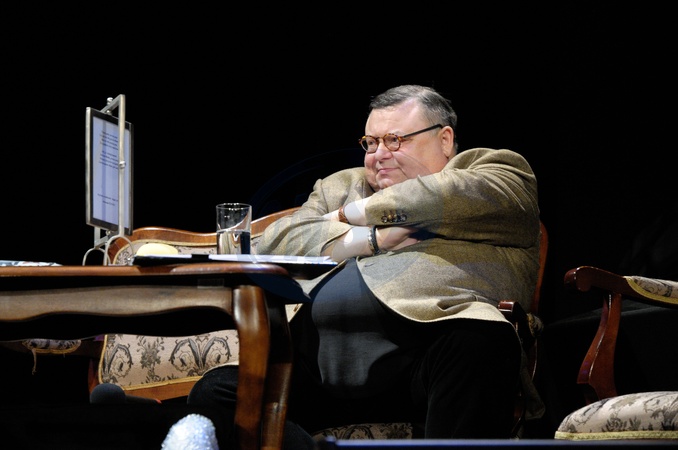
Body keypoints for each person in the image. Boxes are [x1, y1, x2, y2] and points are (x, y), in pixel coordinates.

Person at [188, 84, 542, 447]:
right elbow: (276, 240)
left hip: (428, 361)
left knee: (482, 342)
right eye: (370, 143)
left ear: (445, 139)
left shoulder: (496, 172)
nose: (379, 155)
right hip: (319, 368)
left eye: (394, 140)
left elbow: (435, 195)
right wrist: (372, 239)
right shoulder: (340, 184)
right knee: (217, 392)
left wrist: (345, 215)